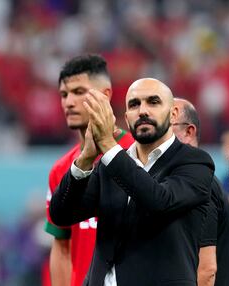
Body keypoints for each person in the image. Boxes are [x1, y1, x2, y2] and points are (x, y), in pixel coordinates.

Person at [49, 78, 215, 286]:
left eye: (153, 102)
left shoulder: (194, 162)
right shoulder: (109, 166)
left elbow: (159, 201)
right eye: (134, 104)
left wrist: (109, 146)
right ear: (127, 118)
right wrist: (85, 158)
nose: (142, 111)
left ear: (173, 113)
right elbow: (61, 214)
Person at [44, 54, 134, 286]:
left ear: (105, 95)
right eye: (64, 94)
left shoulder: (137, 154)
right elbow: (61, 245)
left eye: (79, 92)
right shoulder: (61, 170)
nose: (69, 102)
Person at [172, 98, 229, 286]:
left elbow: (206, 271)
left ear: (189, 131)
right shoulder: (179, 182)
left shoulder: (200, 185)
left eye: (167, 127)